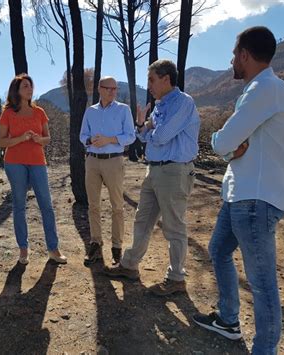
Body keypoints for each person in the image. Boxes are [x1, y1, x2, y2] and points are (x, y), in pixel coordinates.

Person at [193, 27, 284, 354]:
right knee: (219, 249)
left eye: (234, 54)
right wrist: (228, 149)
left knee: (262, 284)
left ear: (245, 56)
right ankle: (228, 319)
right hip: (241, 195)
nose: (231, 60)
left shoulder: (264, 88)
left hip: (254, 200)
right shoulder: (264, 89)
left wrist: (220, 145)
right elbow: (232, 146)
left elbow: (223, 141)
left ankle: (265, 349)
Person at [104, 60, 200, 296]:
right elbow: (143, 135)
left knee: (174, 226)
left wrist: (151, 127)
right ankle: (129, 265)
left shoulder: (183, 102)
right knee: (142, 220)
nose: (149, 86)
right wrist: (143, 123)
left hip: (175, 170)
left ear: (166, 79)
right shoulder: (159, 105)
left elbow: (162, 135)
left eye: (151, 80)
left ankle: (177, 277)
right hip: (154, 169)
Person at [0, 73, 67, 265]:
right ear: (17, 91)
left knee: (47, 205)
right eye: (25, 86)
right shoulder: (8, 113)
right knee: (19, 205)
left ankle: (53, 249)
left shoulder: (39, 112)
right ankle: (23, 250)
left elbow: (48, 138)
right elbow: (1, 141)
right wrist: (20, 139)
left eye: (30, 86)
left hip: (37, 162)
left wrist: (38, 139)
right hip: (14, 162)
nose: (29, 89)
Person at [80, 76, 136, 266]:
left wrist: (109, 139)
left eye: (115, 88)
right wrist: (90, 141)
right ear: (99, 89)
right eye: (109, 88)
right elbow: (82, 135)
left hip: (114, 161)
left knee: (117, 206)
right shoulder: (90, 111)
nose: (113, 92)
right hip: (92, 161)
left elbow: (130, 136)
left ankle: (116, 247)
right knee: (93, 205)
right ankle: (95, 243)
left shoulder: (123, 109)